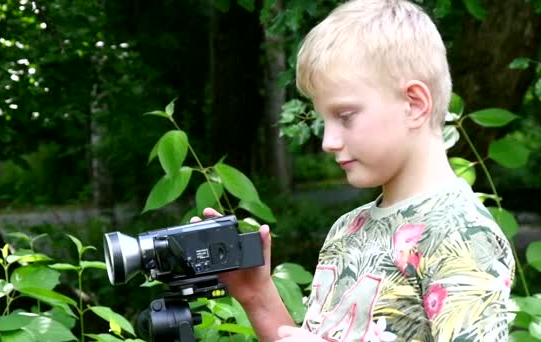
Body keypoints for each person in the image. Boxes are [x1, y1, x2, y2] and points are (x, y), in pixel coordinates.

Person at [192, 0, 515, 340]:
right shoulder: (348, 229)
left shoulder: (463, 235)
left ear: (414, 104)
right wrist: (257, 295)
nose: (327, 142)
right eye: (323, 120)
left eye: (345, 116)